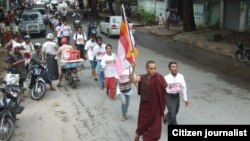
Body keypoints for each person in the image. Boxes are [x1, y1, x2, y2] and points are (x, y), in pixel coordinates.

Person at [130, 61, 167, 141]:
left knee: (155, 129)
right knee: (141, 127)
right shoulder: (142, 77)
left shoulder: (159, 77)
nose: (153, 70)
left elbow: (163, 93)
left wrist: (164, 108)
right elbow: (132, 80)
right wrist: (133, 69)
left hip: (156, 108)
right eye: (151, 68)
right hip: (145, 108)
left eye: (154, 68)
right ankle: (137, 136)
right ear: (146, 68)